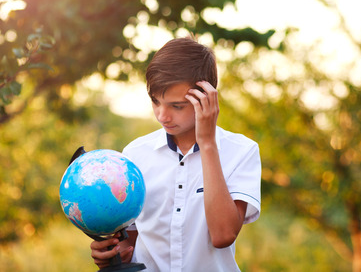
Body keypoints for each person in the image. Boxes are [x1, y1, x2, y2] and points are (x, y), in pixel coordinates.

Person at [90, 36, 261, 272]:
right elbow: (129, 241)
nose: (162, 115)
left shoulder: (241, 151)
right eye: (155, 102)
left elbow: (223, 235)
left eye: (176, 106)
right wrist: (110, 253)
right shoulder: (134, 154)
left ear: (206, 97)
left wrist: (207, 143)